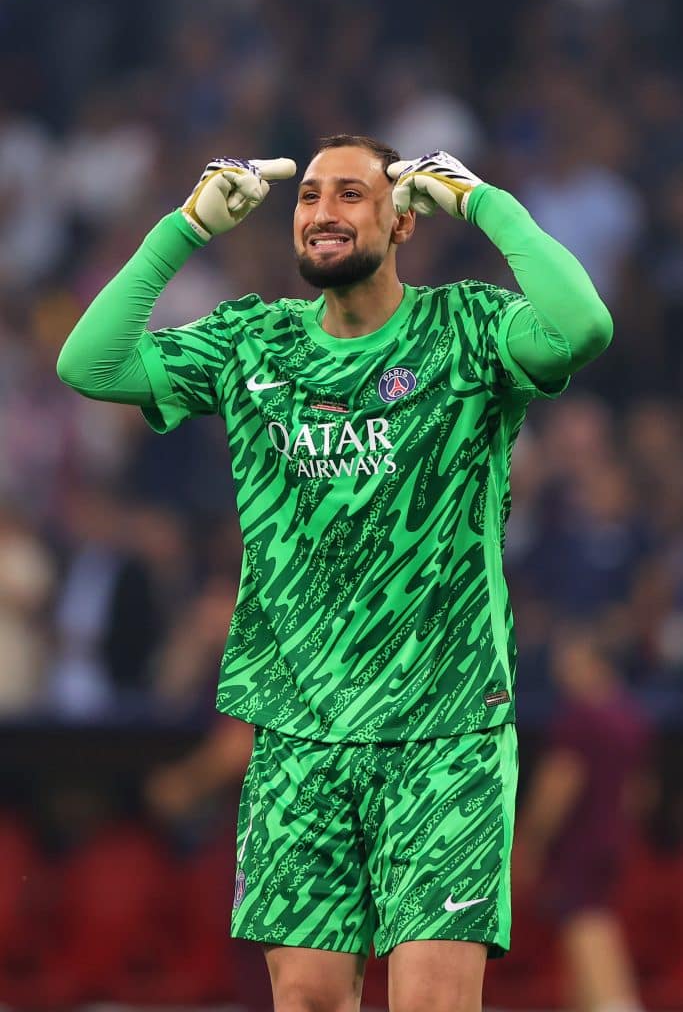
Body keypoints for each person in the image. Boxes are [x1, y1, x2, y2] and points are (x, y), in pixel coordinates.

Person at [57, 135, 613, 1012]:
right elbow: (87, 364)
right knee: (309, 1000)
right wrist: (186, 227)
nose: (322, 213)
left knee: (430, 1004)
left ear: (401, 221)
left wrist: (481, 201)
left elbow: (583, 327)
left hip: (446, 731)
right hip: (296, 733)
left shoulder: (467, 329)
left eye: (351, 195)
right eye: (309, 196)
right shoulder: (254, 342)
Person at [514, 623, 651, 1012]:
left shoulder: (580, 720)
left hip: (579, 843)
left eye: (570, 659)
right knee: (595, 919)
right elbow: (637, 792)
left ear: (593, 662)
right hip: (614, 838)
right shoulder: (630, 716)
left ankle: (615, 1003)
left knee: (584, 922)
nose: (562, 669)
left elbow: (557, 788)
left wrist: (528, 843)